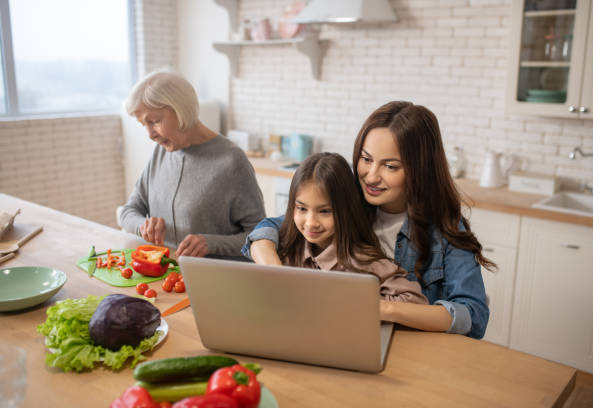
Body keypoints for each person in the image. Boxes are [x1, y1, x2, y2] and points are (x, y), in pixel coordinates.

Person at [242, 101, 495, 339]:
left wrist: (381, 309)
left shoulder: (444, 228)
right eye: (366, 159)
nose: (371, 176)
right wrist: (274, 272)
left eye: (390, 166)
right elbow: (273, 228)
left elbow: (473, 315)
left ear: (419, 169)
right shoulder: (347, 200)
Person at [120, 71, 265, 258]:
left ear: (180, 110)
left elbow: (261, 237)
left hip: (212, 280)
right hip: (165, 278)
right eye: (143, 125)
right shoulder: (160, 153)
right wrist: (143, 226)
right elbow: (129, 211)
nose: (150, 134)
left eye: (154, 121)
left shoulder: (231, 161)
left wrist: (211, 244)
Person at [268, 152, 428, 304]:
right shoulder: (285, 251)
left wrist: (357, 303)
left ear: (345, 211)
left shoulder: (363, 262)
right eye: (302, 209)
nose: (311, 223)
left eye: (324, 211)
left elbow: (416, 301)